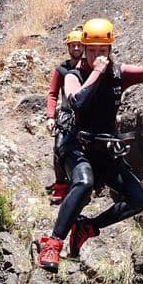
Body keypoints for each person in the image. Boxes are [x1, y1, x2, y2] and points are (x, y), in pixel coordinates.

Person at [36, 18, 143, 272]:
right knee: (84, 182)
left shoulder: (118, 73)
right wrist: (96, 72)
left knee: (139, 199)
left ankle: (87, 227)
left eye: (103, 51)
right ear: (84, 48)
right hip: (76, 148)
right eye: (92, 51)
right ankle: (53, 242)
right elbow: (77, 102)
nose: (97, 56)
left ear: (110, 50)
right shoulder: (73, 75)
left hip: (104, 151)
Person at [46, 28, 84, 205]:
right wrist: (50, 116)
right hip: (66, 115)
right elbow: (53, 94)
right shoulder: (62, 70)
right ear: (68, 47)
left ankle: (84, 185)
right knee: (59, 148)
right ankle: (61, 185)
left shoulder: (89, 68)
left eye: (79, 45)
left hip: (85, 114)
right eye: (73, 45)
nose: (76, 48)